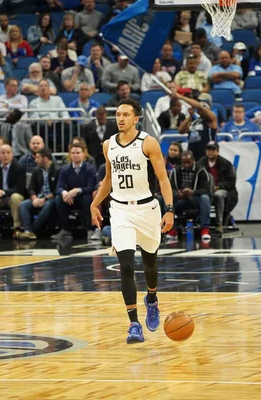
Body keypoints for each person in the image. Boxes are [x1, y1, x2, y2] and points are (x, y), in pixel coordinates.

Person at [90, 98, 174, 344]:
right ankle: (134, 324)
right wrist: (95, 203)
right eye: (118, 114)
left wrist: (169, 210)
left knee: (150, 266)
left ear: (136, 118)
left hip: (147, 209)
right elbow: (108, 179)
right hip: (120, 210)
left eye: (126, 114)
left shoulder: (148, 143)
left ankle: (152, 298)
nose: (121, 118)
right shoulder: (108, 145)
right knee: (126, 266)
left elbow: (163, 179)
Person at [52, 143, 97, 241]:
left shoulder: (89, 169)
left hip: (83, 195)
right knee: (59, 199)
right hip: (70, 198)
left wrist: (77, 190)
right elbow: (59, 186)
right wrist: (65, 193)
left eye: (78, 153)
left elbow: (91, 187)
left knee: (88, 198)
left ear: (83, 154)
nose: (75, 155)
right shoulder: (65, 169)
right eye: (73, 153)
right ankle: (65, 230)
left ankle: (89, 229)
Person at [168, 150, 212, 241]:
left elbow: (207, 190)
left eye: (188, 162)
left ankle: (205, 229)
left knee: (205, 197)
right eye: (184, 163)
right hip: (182, 200)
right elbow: (169, 188)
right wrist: (178, 194)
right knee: (168, 199)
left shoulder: (201, 171)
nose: (186, 165)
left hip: (196, 199)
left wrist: (193, 192)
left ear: (193, 160)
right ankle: (173, 229)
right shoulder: (176, 171)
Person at [197, 141, 238, 233]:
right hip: (205, 190)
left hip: (222, 189)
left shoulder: (226, 164)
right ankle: (202, 223)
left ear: (217, 151)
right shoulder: (200, 163)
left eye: (213, 150)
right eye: (208, 150)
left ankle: (219, 224)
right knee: (202, 197)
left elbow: (231, 182)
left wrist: (218, 186)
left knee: (218, 196)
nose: (210, 152)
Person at [17, 148, 57, 239]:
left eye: (38, 158)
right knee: (23, 205)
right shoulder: (36, 171)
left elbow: (57, 190)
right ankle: (28, 230)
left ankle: (32, 231)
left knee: (48, 205)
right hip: (38, 197)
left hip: (51, 198)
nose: (35, 160)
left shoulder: (57, 170)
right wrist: (34, 198)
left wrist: (45, 199)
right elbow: (31, 188)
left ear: (45, 159)